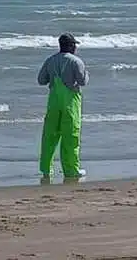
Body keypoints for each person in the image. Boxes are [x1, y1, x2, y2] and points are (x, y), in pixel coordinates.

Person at [37, 33, 89, 180]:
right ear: (71, 46)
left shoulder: (50, 61)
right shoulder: (76, 62)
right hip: (70, 103)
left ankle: (46, 169)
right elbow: (83, 81)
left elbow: (41, 80)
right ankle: (71, 170)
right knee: (71, 137)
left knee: (49, 137)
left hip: (53, 103)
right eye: (74, 45)